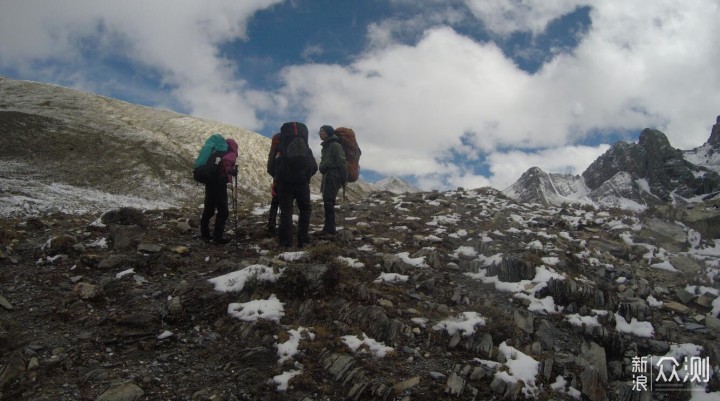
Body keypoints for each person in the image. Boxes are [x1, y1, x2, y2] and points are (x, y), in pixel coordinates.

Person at [272, 122, 317, 248]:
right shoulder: (306, 148)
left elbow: (272, 166)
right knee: (305, 210)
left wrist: (278, 180)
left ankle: (285, 242)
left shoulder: (281, 148)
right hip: (302, 183)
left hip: (284, 184)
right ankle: (303, 239)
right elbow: (314, 167)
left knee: (286, 211)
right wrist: (306, 177)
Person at [200, 138, 238, 245]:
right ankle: (218, 237)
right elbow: (227, 165)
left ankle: (205, 234)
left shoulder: (215, 152)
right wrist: (231, 174)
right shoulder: (230, 154)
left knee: (209, 209)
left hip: (210, 182)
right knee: (223, 211)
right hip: (219, 183)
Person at [318, 125, 348, 236]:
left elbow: (342, 162)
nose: (320, 133)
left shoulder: (335, 145)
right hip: (328, 176)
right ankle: (328, 227)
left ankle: (330, 230)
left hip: (333, 176)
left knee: (329, 202)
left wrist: (344, 178)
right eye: (320, 131)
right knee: (327, 202)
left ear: (328, 133)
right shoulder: (326, 146)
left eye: (322, 131)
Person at [266, 132, 281, 234]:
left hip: (278, 178)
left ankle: (271, 224)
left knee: (275, 202)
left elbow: (270, 167)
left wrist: (275, 176)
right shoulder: (290, 146)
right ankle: (285, 225)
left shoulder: (275, 148)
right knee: (286, 204)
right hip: (291, 179)